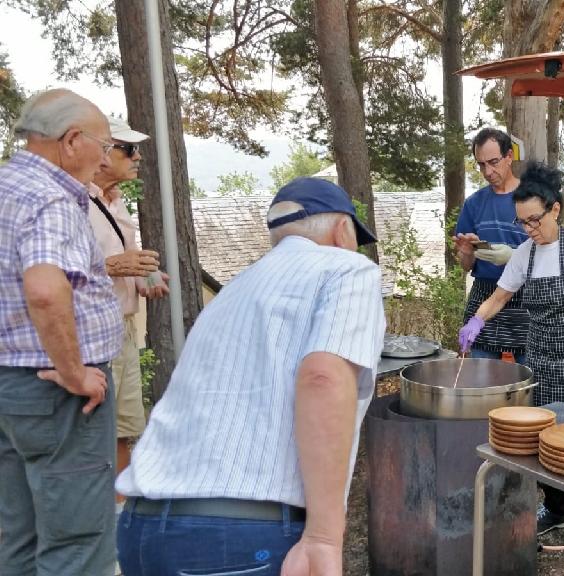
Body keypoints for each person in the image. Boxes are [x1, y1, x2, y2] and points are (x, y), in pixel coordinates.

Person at [115, 177, 386, 576]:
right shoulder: (347, 269)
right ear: (342, 230)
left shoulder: (237, 287)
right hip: (236, 537)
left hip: (141, 526)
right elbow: (323, 379)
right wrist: (323, 537)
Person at [458, 161, 564, 545]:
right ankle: (557, 508)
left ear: (555, 209)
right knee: (544, 435)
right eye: (522, 222)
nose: (529, 229)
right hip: (540, 356)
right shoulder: (525, 254)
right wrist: (475, 321)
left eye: (534, 220)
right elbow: (499, 297)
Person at [0, 88, 124, 576]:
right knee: (78, 542)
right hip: (56, 392)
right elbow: (46, 290)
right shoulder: (50, 197)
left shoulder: (8, 185)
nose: (106, 158)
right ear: (72, 141)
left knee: (20, 535)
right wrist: (74, 372)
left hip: (12, 386)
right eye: (104, 145)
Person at [87, 115, 169, 506]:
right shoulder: (72, 202)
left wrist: (144, 278)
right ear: (102, 153)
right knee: (93, 429)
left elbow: (122, 259)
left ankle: (120, 514)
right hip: (89, 333)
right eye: (129, 149)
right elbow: (50, 271)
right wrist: (113, 266)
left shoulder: (115, 201)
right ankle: (95, 514)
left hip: (122, 326)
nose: (137, 157)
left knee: (122, 427)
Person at [453, 128, 530, 363]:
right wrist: (467, 253)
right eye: (481, 165)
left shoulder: (532, 199)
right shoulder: (474, 204)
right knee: (483, 376)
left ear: (509, 156)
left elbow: (549, 251)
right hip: (484, 294)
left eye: (494, 162)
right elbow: (466, 266)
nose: (488, 172)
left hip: (526, 295)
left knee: (529, 376)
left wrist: (513, 256)